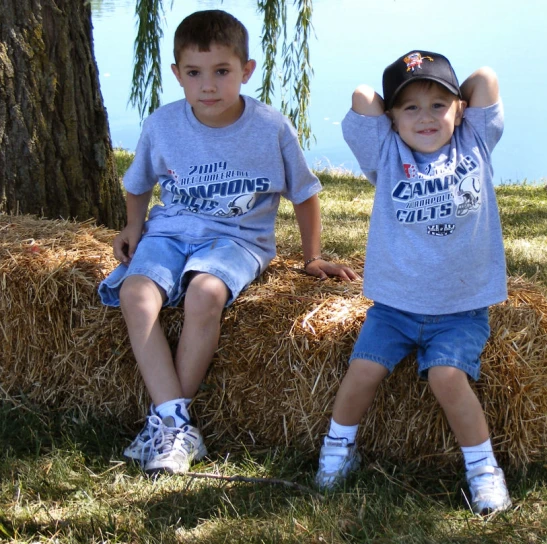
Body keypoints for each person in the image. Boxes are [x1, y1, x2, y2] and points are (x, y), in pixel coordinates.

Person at [99, 9, 358, 475]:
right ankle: (175, 421)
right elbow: (137, 182)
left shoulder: (270, 127)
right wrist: (133, 225)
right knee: (134, 294)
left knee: (206, 293)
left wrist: (312, 256)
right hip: (170, 231)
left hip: (237, 240)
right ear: (177, 75)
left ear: (247, 71)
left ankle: (166, 424)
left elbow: (304, 192)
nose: (208, 86)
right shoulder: (163, 124)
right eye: (194, 74)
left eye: (222, 72)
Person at [314, 50, 512, 515]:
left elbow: (485, 78)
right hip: (395, 307)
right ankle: (337, 451)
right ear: (392, 119)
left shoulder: (475, 143)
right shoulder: (386, 153)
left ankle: (484, 469)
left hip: (459, 308)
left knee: (446, 375)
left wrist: (459, 107)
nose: (426, 117)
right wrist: (391, 116)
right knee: (362, 370)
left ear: (460, 110)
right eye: (410, 108)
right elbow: (363, 96)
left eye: (438, 105)